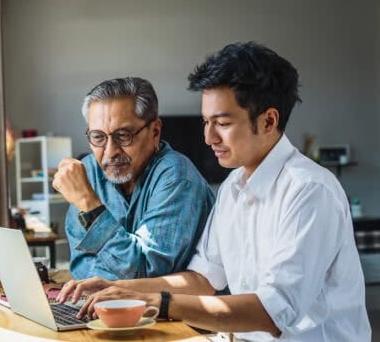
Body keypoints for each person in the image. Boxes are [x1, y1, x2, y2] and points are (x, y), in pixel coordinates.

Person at [57, 43, 371, 341]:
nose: (209, 138)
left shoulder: (309, 191)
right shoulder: (232, 188)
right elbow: (202, 281)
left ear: (268, 121)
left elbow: (274, 312)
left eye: (221, 123)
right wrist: (119, 287)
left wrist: (158, 302)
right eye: (206, 122)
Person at [52, 77, 215, 280]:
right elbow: (82, 265)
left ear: (155, 132)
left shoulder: (177, 177)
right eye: (98, 137)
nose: (110, 152)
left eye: (123, 135)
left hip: (174, 310)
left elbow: (145, 272)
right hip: (105, 306)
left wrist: (89, 204)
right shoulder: (88, 172)